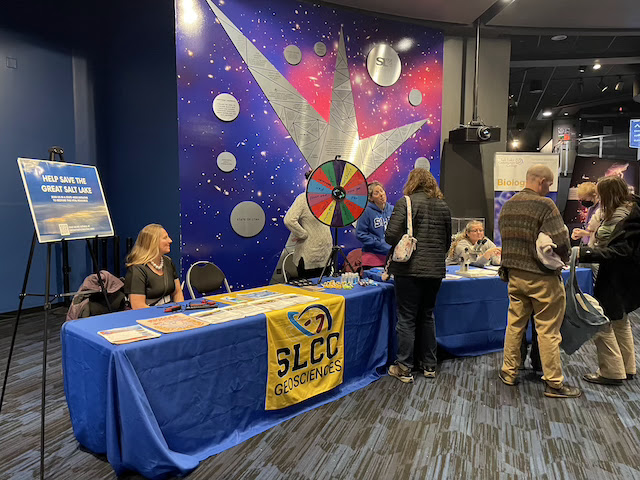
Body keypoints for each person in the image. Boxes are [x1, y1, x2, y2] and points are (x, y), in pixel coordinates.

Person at [498, 164, 581, 398]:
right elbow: (561, 239)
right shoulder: (546, 205)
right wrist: (563, 258)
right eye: (550, 184)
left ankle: (509, 371)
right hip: (542, 278)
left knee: (515, 324)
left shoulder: (508, 205)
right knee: (548, 330)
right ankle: (554, 383)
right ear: (542, 182)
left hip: (514, 275)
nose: (550, 188)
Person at [385, 168, 452, 383]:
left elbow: (390, 236)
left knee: (407, 317)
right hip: (435, 270)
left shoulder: (405, 203)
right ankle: (429, 365)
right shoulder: (443, 205)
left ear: (412, 182)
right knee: (427, 315)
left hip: (408, 270)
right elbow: (447, 241)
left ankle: (404, 367)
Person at [579, 176, 637, 386]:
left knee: (600, 320)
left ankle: (612, 371)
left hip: (613, 274)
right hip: (622, 274)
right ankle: (627, 367)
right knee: (619, 320)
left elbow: (616, 250)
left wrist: (585, 254)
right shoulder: (629, 211)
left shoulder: (621, 217)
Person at [283, 172, 333, 279]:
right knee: (309, 292)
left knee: (327, 292)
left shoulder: (327, 199)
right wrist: (303, 234)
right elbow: (289, 220)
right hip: (308, 256)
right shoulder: (303, 199)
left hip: (325, 255)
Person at [124, 224, 184, 309]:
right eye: (165, 238)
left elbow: (177, 292)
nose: (170, 240)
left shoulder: (168, 262)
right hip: (148, 316)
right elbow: (138, 306)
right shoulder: (137, 270)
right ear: (152, 242)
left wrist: (179, 310)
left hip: (169, 313)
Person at [356, 181, 394, 268]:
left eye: (382, 191)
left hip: (390, 257)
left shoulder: (392, 210)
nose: (381, 194)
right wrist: (378, 243)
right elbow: (360, 234)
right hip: (372, 258)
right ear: (371, 198)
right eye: (376, 193)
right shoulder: (366, 212)